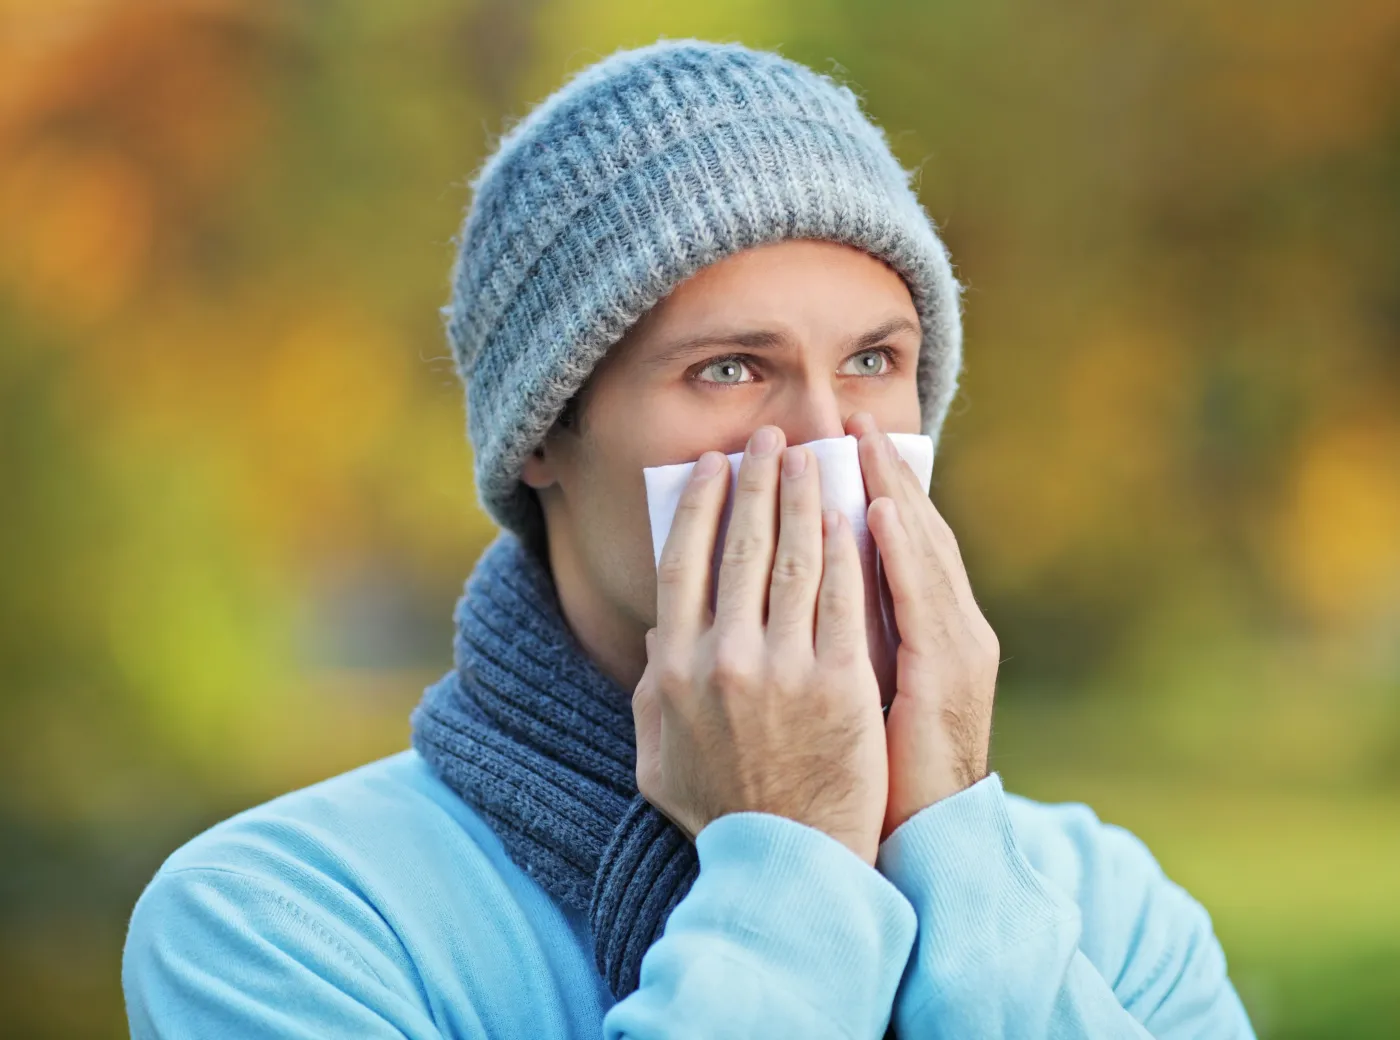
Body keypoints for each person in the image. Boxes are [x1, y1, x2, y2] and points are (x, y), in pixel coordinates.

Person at [121, 39, 1256, 1038]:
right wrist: (791, 861)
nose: (825, 439)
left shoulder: (1097, 906)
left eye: (873, 361)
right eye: (729, 368)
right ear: (543, 434)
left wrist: (951, 851)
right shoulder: (280, 921)